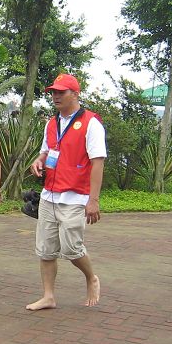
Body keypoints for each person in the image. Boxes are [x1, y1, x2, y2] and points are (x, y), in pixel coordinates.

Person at [26, 73, 106, 310]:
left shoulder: (91, 123)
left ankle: (91, 277)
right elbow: (45, 152)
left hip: (76, 196)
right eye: (53, 92)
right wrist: (38, 161)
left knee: (72, 248)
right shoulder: (51, 123)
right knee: (46, 249)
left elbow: (98, 162)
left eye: (61, 92)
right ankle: (48, 296)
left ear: (75, 94)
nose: (55, 96)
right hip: (49, 195)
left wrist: (93, 200)